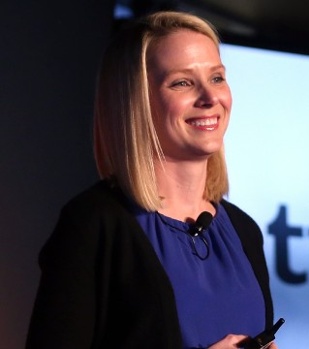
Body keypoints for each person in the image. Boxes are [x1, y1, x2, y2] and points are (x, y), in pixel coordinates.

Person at [26, 11, 278, 349]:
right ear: (137, 103)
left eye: (217, 78)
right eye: (182, 82)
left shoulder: (244, 231)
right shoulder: (94, 225)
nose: (210, 98)